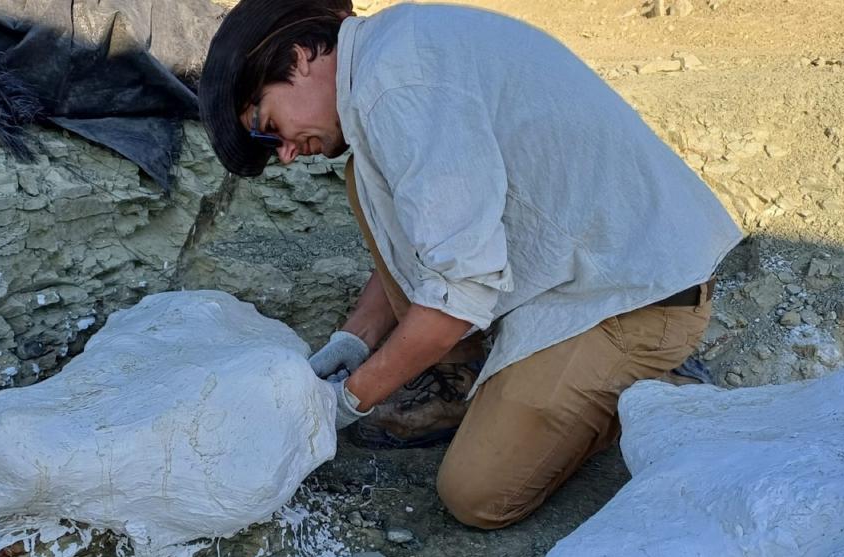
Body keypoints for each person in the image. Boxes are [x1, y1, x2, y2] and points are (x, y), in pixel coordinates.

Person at [198, 0, 743, 529]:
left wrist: (348, 401)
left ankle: (654, 385)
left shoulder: (399, 88)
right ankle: (461, 381)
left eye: (269, 128)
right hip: (570, 275)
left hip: (629, 297)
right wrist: (353, 342)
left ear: (298, 58)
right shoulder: (386, 61)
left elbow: (460, 288)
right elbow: (435, 237)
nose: (287, 154)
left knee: (478, 493)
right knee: (366, 182)